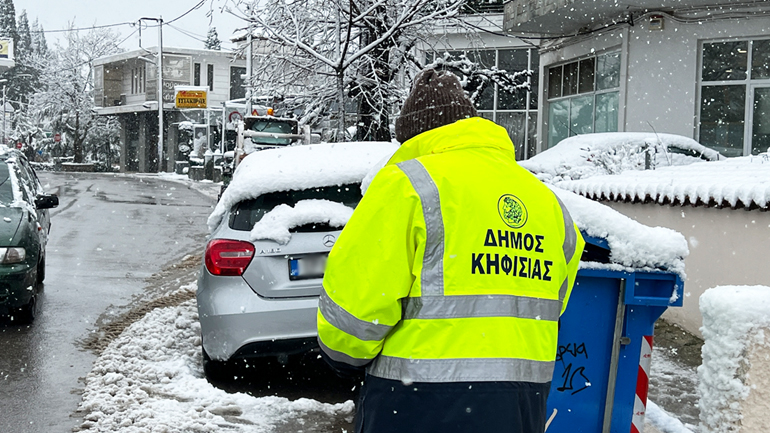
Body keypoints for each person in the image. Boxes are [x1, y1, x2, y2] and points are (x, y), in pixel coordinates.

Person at [317, 68, 584, 433]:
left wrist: (343, 360)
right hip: (520, 409)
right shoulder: (545, 202)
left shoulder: (406, 186)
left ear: (413, 135)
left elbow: (351, 321)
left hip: (414, 407)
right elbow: (554, 302)